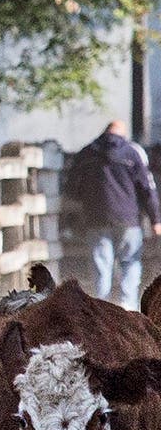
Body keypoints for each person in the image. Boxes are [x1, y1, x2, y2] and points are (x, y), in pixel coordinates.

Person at [64, 120, 161, 308]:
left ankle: (102, 310)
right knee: (129, 265)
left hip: (96, 219)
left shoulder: (87, 153)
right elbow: (147, 189)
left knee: (102, 267)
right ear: (122, 134)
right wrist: (156, 219)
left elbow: (72, 187)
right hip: (128, 220)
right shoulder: (133, 152)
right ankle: (128, 309)